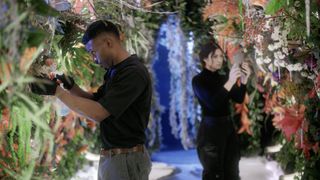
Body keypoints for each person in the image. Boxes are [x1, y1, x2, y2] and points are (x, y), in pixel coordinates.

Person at [30, 20, 152, 180]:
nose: (93, 59)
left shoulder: (133, 73)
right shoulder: (116, 70)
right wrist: (71, 86)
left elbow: (99, 113)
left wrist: (57, 92)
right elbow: (97, 101)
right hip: (115, 158)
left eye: (93, 52)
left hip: (125, 160)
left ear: (108, 43)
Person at [192, 41, 251, 180]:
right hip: (210, 131)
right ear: (205, 59)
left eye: (221, 56)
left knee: (232, 171)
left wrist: (243, 80)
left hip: (228, 128)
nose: (220, 59)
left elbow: (238, 98)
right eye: (215, 56)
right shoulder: (198, 81)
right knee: (214, 172)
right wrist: (230, 82)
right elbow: (213, 103)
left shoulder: (223, 77)